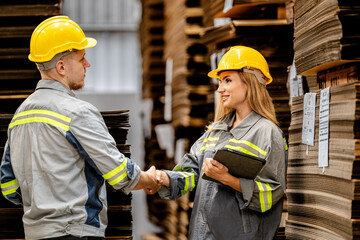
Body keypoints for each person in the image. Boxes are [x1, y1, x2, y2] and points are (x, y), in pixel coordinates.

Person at [0, 16, 160, 240]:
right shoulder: (77, 112)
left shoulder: (19, 117)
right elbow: (119, 174)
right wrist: (151, 179)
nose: (88, 64)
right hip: (74, 233)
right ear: (62, 67)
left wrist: (43, 200)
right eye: (82, 58)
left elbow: (8, 187)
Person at [155, 46, 288, 239]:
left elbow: (272, 195)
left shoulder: (268, 133)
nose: (220, 89)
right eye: (219, 81)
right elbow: (191, 172)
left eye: (227, 80)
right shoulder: (216, 131)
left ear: (250, 82)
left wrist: (228, 179)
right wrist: (160, 178)